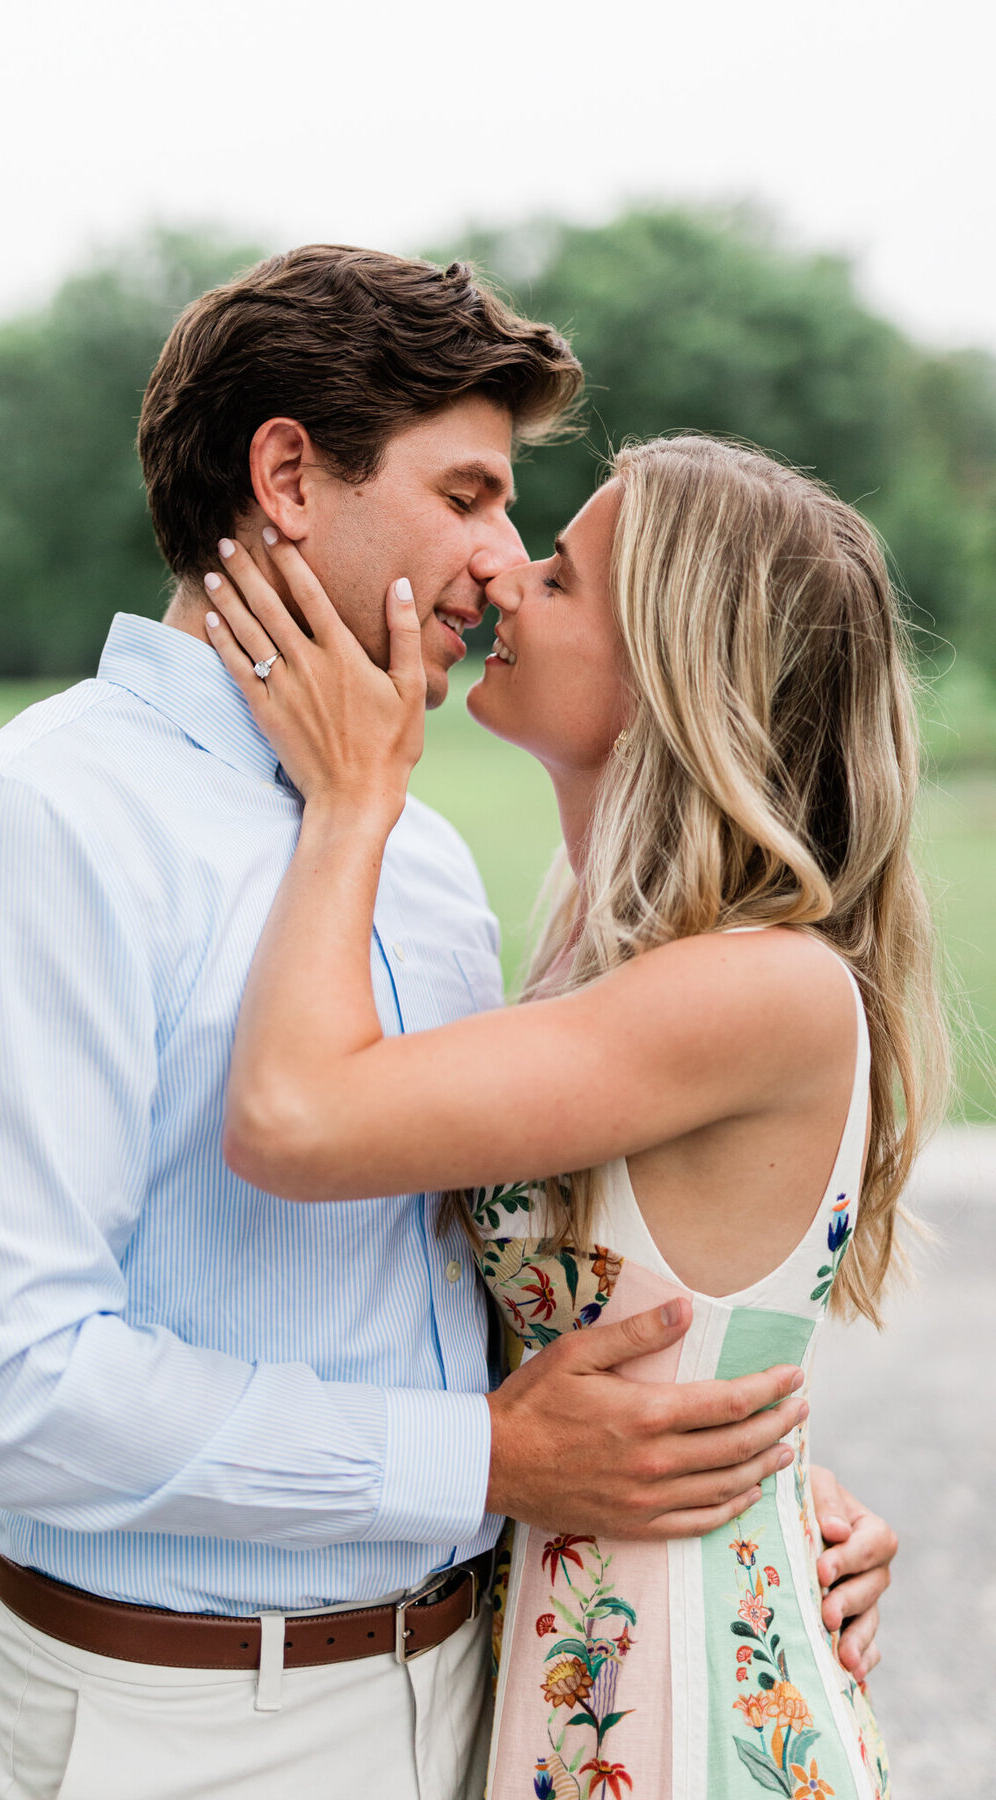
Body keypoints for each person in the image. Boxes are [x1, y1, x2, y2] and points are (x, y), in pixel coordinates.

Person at [0, 250, 895, 1800]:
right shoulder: (28, 828)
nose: (504, 557)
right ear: (288, 480)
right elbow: (10, 1389)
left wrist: (733, 1469)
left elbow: (491, 1272)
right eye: (467, 495)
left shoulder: (413, 854)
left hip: (486, 1692)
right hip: (192, 1726)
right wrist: (489, 1460)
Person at [198, 433, 945, 1799]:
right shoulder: (603, 969)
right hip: (572, 1710)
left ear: (672, 666)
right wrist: (786, 1476)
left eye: (558, 577)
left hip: (692, 1746)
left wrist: (355, 800)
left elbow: (292, 1120)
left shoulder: (758, 988)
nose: (503, 581)